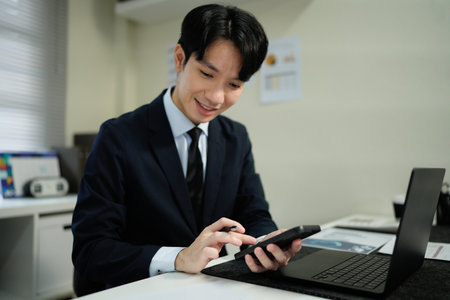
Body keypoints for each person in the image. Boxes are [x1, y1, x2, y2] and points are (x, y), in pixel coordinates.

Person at [71, 3, 302, 291]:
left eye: (234, 84)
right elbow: (91, 250)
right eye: (206, 74)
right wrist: (179, 257)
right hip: (136, 290)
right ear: (179, 59)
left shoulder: (235, 137)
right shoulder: (118, 136)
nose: (216, 98)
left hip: (208, 289)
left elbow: (253, 212)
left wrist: (268, 244)